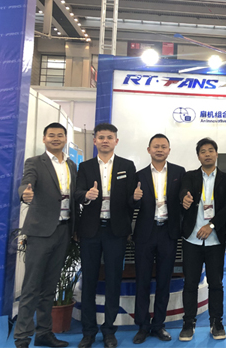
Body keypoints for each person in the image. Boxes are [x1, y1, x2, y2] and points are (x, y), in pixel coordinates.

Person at [13, 123, 77, 348]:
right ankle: (22, 337)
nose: (56, 138)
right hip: (40, 232)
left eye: (60, 135)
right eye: (51, 135)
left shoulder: (71, 165)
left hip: (63, 231)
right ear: (44, 139)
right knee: (31, 287)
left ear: (65, 139)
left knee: (49, 288)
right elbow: (27, 182)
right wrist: (25, 193)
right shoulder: (34, 162)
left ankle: (44, 333)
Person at [75, 123, 138, 348]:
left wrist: (136, 198)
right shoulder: (85, 166)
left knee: (113, 281)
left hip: (116, 231)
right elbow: (77, 193)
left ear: (116, 141)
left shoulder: (127, 166)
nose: (105, 141)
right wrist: (87, 194)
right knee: (89, 282)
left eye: (109, 137)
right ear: (95, 141)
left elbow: (131, 201)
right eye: (101, 137)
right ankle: (88, 332)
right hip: (90, 231)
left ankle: (109, 330)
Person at [132, 134, 186, 344]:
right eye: (156, 146)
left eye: (164, 146)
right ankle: (143, 326)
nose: (160, 150)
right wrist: (134, 199)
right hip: (145, 233)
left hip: (168, 233)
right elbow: (131, 204)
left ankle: (158, 325)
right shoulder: (139, 175)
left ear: (169, 150)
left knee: (164, 281)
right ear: (149, 150)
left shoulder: (179, 172)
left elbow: (183, 197)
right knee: (142, 281)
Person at [178, 138, 226, 342]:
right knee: (190, 283)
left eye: (211, 150)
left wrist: (211, 225)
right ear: (198, 155)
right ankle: (188, 323)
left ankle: (216, 322)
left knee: (216, 284)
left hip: (215, 240)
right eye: (203, 151)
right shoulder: (189, 176)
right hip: (192, 239)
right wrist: (184, 198)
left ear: (216, 154)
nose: (207, 154)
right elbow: (183, 192)